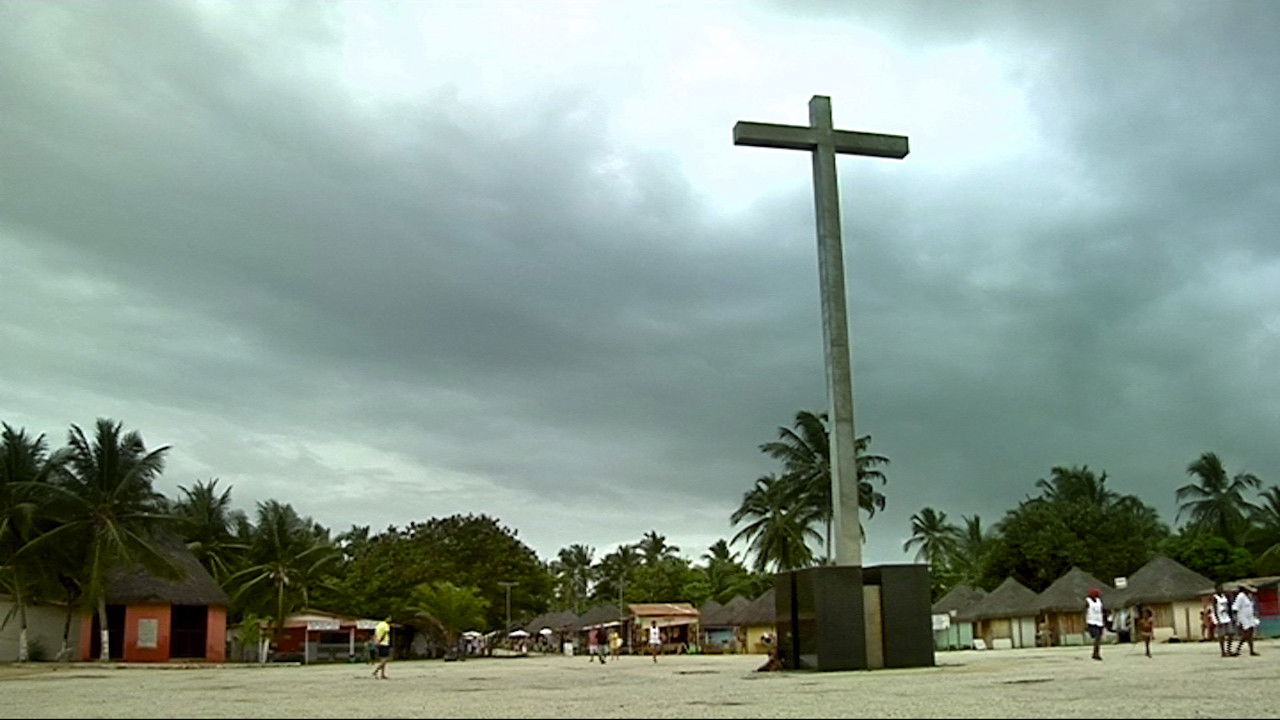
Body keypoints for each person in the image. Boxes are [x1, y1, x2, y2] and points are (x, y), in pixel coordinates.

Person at [1232, 584, 1261, 657]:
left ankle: (1251, 651)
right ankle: (1237, 650)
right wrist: (1236, 619)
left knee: (1250, 634)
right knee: (1246, 634)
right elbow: (1235, 608)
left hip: (1250, 617)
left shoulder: (1249, 596)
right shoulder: (1240, 596)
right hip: (1243, 617)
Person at [1212, 584, 1235, 658]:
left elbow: (1229, 606)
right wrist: (1217, 620)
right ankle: (1223, 651)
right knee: (1222, 635)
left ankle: (1229, 650)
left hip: (1226, 616)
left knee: (1231, 633)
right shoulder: (1215, 597)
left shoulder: (1224, 596)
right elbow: (1214, 610)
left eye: (1221, 588)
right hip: (1220, 617)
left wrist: (1231, 617)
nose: (1221, 590)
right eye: (1219, 588)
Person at [1085, 588, 1106, 661]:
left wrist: (1104, 621)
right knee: (1097, 637)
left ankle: (1096, 652)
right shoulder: (1088, 601)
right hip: (1091, 622)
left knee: (1099, 638)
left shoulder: (1099, 601)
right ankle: (1095, 653)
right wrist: (1085, 623)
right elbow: (1084, 611)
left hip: (1099, 622)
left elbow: (1102, 611)